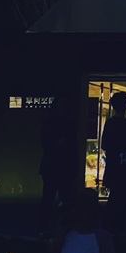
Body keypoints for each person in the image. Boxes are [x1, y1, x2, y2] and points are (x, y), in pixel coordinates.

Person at [39, 95, 78, 235]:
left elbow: (45, 143)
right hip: (64, 167)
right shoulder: (71, 123)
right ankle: (64, 229)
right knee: (64, 200)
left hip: (52, 166)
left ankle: (44, 228)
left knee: (49, 199)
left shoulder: (50, 122)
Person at [51, 190, 117, 253]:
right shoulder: (66, 234)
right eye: (75, 205)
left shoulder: (102, 237)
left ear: (92, 209)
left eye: (82, 205)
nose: (77, 210)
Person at [100, 91, 126, 234]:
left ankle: (110, 227)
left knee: (114, 198)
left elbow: (104, 145)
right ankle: (120, 227)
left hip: (113, 166)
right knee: (125, 198)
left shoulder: (110, 123)